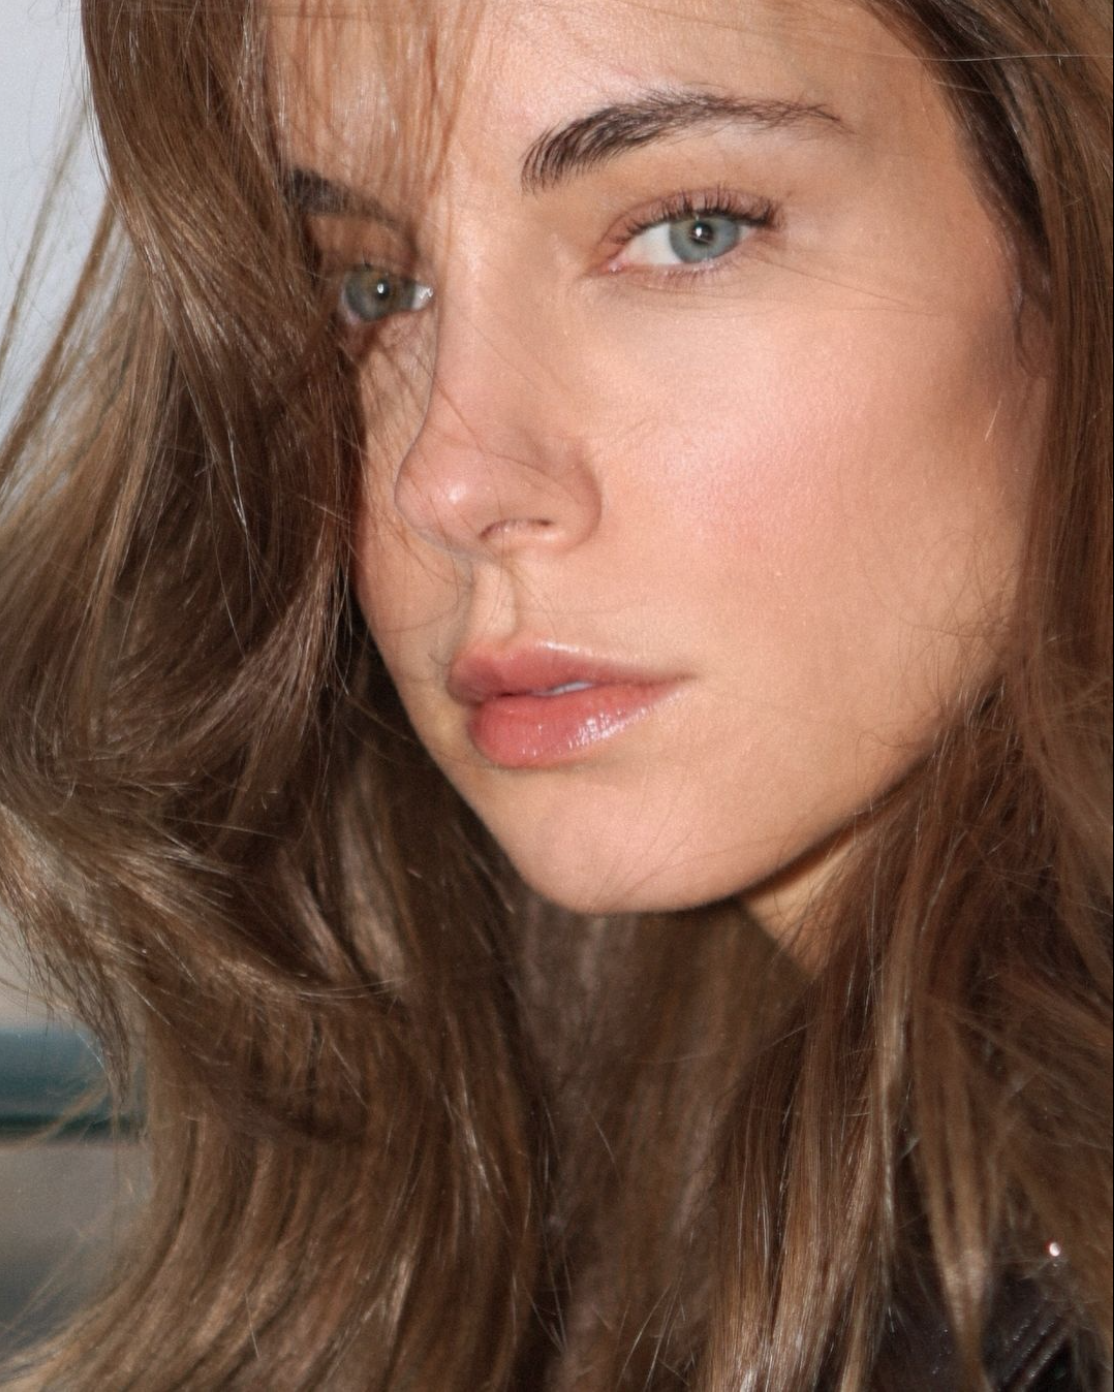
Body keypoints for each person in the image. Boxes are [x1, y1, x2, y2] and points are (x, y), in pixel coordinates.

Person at [0, 0, 1109, 1387]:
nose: (446, 480)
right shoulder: (610, 1177)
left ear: (1071, 242)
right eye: (372, 290)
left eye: (690, 231)